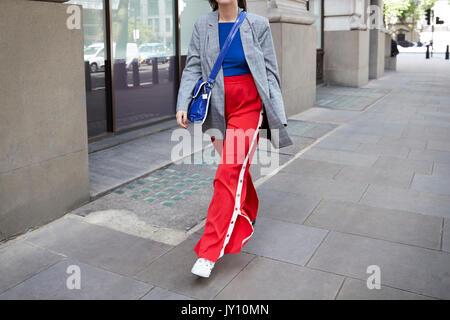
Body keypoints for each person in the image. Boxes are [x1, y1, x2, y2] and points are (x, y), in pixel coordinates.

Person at [175, 0, 293, 278]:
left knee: (227, 172)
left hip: (248, 106)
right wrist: (183, 102)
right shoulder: (203, 24)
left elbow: (270, 71)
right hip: (216, 108)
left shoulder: (258, 24)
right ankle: (250, 206)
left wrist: (276, 110)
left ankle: (209, 251)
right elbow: (193, 65)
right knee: (236, 169)